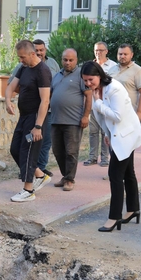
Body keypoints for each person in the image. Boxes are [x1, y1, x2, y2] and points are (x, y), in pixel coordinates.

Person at [81, 61, 141, 232]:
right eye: (85, 80)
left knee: (115, 174)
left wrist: (98, 103)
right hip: (117, 135)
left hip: (126, 135)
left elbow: (117, 116)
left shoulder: (114, 88)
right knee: (128, 173)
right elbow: (103, 119)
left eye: (90, 79)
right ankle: (133, 209)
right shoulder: (96, 90)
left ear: (100, 75)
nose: (88, 83)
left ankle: (114, 217)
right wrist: (108, 135)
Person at [4, 40, 52, 202]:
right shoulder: (23, 68)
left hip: (35, 118)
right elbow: (11, 87)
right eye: (19, 57)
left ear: (33, 54)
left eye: (22, 57)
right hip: (23, 117)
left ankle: (28, 190)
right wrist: (8, 101)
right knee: (15, 149)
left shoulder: (43, 71)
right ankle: (39, 175)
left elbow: (45, 101)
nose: (20, 60)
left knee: (28, 151)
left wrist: (38, 126)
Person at [50, 49, 92, 191]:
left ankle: (69, 179)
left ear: (76, 60)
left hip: (73, 121)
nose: (67, 62)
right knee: (57, 151)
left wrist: (86, 116)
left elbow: (89, 97)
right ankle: (65, 176)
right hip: (55, 120)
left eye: (70, 60)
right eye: (65, 59)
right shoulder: (56, 76)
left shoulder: (81, 76)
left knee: (71, 152)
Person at [84, 42, 116, 167]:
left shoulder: (113, 67)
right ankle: (92, 157)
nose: (98, 52)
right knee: (92, 132)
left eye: (101, 50)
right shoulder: (90, 66)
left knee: (105, 132)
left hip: (105, 105)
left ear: (106, 51)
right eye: (96, 50)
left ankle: (104, 158)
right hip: (92, 104)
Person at [32, 39, 60, 179]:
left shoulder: (53, 63)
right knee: (31, 140)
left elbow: (59, 81)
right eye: (36, 50)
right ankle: (30, 167)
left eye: (41, 50)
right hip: (33, 111)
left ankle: (41, 168)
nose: (39, 53)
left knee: (46, 141)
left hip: (49, 111)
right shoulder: (25, 65)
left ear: (45, 50)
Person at [109, 44, 141, 122]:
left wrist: (140, 112)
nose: (122, 56)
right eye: (120, 54)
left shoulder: (138, 70)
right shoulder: (112, 70)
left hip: (130, 113)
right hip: (112, 112)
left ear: (131, 55)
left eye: (125, 54)